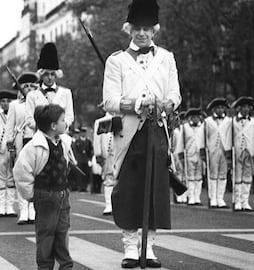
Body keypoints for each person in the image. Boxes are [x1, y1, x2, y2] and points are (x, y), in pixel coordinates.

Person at [102, 0, 181, 267]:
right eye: (137, 28)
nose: (142, 33)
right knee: (128, 190)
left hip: (157, 131)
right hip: (129, 133)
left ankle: (149, 247)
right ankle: (130, 248)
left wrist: (168, 104)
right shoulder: (116, 61)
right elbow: (110, 101)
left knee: (156, 191)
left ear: (154, 30)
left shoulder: (167, 58)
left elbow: (175, 93)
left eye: (147, 29)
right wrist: (137, 104)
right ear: (129, 29)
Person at [13, 104, 75, 270]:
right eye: (63, 120)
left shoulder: (64, 142)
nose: (65, 123)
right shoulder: (33, 147)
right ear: (53, 126)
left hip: (62, 194)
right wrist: (31, 195)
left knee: (62, 231)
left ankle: (65, 265)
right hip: (45, 195)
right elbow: (21, 172)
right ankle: (45, 266)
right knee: (46, 233)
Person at [6, 71, 39, 225]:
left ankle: (32, 209)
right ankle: (23, 210)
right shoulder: (14, 105)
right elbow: (9, 127)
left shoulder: (40, 102)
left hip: (36, 141)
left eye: (32, 86)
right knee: (22, 176)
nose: (29, 89)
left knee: (36, 176)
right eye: (26, 86)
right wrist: (10, 145)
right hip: (21, 142)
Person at [25, 42, 74, 135]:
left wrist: (60, 128)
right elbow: (29, 119)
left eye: (52, 74)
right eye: (47, 74)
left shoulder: (66, 93)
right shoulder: (32, 95)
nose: (50, 77)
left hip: (61, 136)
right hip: (41, 137)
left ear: (56, 75)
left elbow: (69, 116)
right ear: (42, 75)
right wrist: (45, 130)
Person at [204, 98, 232, 208]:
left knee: (223, 174)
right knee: (213, 174)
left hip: (225, 149)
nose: (220, 110)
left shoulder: (229, 121)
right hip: (213, 150)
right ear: (214, 109)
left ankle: (220, 198)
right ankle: (213, 198)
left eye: (222, 107)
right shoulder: (208, 121)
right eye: (218, 108)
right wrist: (204, 150)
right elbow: (204, 137)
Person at [231, 96, 254, 211]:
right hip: (238, 152)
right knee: (237, 176)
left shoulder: (253, 121)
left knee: (248, 176)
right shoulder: (233, 121)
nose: (246, 109)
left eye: (248, 107)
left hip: (250, 152)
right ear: (239, 108)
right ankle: (237, 201)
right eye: (244, 107)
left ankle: (245, 201)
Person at [93, 112, 116, 215]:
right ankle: (109, 205)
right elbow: (97, 140)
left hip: (120, 154)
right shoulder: (100, 121)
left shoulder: (123, 119)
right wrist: (98, 154)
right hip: (108, 155)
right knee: (108, 179)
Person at [73, 127, 93, 191]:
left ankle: (84, 187)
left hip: (86, 159)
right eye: (82, 132)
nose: (83, 133)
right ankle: (80, 186)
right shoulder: (77, 141)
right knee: (79, 174)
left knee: (86, 174)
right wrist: (75, 159)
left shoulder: (88, 142)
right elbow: (75, 151)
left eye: (84, 132)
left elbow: (90, 151)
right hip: (79, 159)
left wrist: (90, 159)